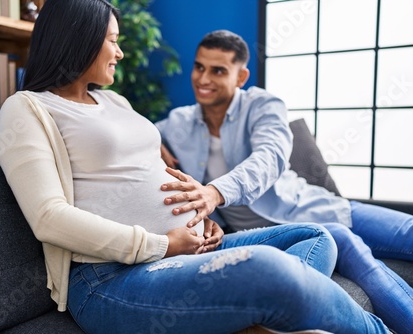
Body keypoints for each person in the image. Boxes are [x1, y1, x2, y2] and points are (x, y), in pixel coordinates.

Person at [0, 1, 390, 333]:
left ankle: (257, 319)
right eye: (113, 41)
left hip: (188, 252)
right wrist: (163, 243)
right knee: (270, 269)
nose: (120, 52)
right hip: (109, 278)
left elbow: (144, 170)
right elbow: (49, 217)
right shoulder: (28, 108)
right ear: (78, 40)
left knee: (318, 237)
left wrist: (201, 216)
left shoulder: (115, 103)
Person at [155, 29, 413, 334]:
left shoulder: (264, 105)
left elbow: (270, 159)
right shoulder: (177, 123)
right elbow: (127, 132)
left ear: (241, 77)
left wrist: (215, 192)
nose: (203, 79)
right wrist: (151, 139)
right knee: (347, 244)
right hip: (280, 235)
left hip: (318, 209)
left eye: (218, 70)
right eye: (199, 67)